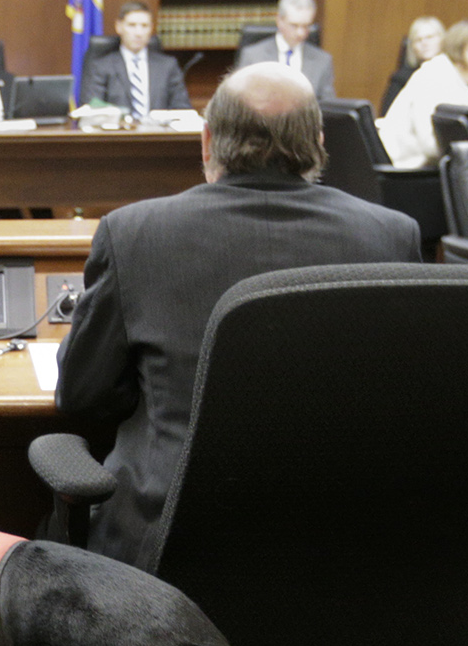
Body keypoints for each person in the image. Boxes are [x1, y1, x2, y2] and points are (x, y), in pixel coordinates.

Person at [55, 62, 422, 568]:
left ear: (207, 142)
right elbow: (406, 398)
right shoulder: (390, 236)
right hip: (339, 545)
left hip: (166, 549)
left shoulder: (133, 234)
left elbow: (81, 395)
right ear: (317, 143)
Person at [378, 19, 468, 169]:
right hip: (407, 174)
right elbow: (431, 145)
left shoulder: (454, 80)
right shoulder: (435, 76)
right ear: (457, 47)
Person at [80, 1, 191, 115]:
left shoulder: (167, 66)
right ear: (119, 27)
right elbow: (92, 108)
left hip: (157, 131)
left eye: (144, 26)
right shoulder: (101, 66)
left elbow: (182, 109)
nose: (139, 33)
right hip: (118, 131)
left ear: (151, 28)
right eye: (132, 25)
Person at [238, 0, 335, 100]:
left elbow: (329, 107)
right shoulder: (253, 56)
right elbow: (242, 101)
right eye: (294, 25)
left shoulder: (322, 61)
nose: (300, 33)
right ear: (279, 20)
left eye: (306, 26)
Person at [381, 17, 444, 116]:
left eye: (430, 37)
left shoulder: (455, 74)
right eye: (418, 40)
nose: (424, 43)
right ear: (412, 47)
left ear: (443, 39)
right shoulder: (400, 79)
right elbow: (387, 115)